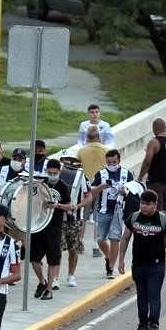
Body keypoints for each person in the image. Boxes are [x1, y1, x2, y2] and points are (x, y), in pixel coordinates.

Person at [118, 190, 166, 330]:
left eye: (147, 204)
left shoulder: (163, 220)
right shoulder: (134, 217)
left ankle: (154, 325)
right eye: (142, 203)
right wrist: (121, 259)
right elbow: (125, 238)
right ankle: (142, 324)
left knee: (153, 295)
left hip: (156, 265)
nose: (144, 206)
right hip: (138, 264)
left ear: (155, 205)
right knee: (142, 296)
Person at [31, 159, 72, 300]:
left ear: (59, 172)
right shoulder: (42, 184)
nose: (52, 175)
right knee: (34, 258)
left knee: (53, 259)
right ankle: (42, 282)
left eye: (55, 173)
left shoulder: (63, 186)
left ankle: (49, 289)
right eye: (50, 173)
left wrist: (57, 206)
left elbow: (69, 206)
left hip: (54, 227)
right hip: (39, 225)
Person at [91, 149, 134, 279]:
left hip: (119, 212)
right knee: (100, 239)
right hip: (103, 210)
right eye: (109, 162)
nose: (112, 164)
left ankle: (110, 268)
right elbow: (91, 190)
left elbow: (133, 191)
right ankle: (109, 256)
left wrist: (125, 192)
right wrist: (100, 188)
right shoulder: (101, 174)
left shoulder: (127, 174)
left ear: (119, 160)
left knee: (114, 238)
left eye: (114, 162)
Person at [76, 125, 109, 257]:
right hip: (101, 187)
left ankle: (80, 243)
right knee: (97, 218)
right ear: (99, 136)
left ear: (87, 137)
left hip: (86, 188)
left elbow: (78, 169)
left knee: (82, 217)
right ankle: (96, 246)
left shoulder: (81, 151)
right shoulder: (106, 150)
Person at [138, 117, 166, 214]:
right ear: (165, 127)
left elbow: (147, 162)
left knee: (156, 207)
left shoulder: (154, 142)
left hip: (156, 181)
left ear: (154, 129)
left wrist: (140, 177)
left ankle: (158, 227)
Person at [59, 159, 92, 287]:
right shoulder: (56, 175)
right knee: (57, 249)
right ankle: (55, 277)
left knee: (73, 248)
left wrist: (78, 206)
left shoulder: (82, 177)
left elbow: (88, 196)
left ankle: (71, 275)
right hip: (58, 219)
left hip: (75, 218)